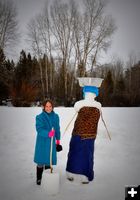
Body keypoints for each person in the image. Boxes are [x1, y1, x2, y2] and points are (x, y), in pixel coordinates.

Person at [66, 77, 103, 184]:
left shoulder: (79, 104)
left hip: (78, 133)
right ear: (95, 93)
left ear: (85, 92)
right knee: (87, 155)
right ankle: (85, 176)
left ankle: (71, 173)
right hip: (90, 135)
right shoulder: (98, 105)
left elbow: (76, 108)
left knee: (74, 153)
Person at [34, 99, 62, 185]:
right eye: (46, 106)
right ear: (43, 107)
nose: (48, 108)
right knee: (40, 161)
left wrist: (58, 142)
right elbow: (39, 129)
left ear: (52, 107)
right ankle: (39, 178)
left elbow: (57, 129)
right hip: (42, 142)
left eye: (50, 106)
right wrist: (48, 133)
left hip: (51, 142)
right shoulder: (39, 117)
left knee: (48, 161)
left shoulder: (56, 116)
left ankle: (46, 179)